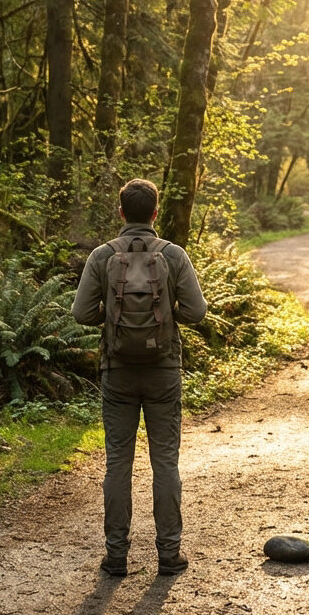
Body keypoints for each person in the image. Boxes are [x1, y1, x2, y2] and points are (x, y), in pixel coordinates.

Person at [72, 179, 208, 576]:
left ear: (121, 213)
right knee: (165, 463)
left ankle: (116, 556)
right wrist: (167, 317)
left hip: (117, 373)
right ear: (154, 213)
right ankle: (169, 554)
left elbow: (81, 313)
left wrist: (111, 322)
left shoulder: (101, 256)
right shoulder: (173, 255)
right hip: (164, 371)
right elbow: (197, 311)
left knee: (118, 464)